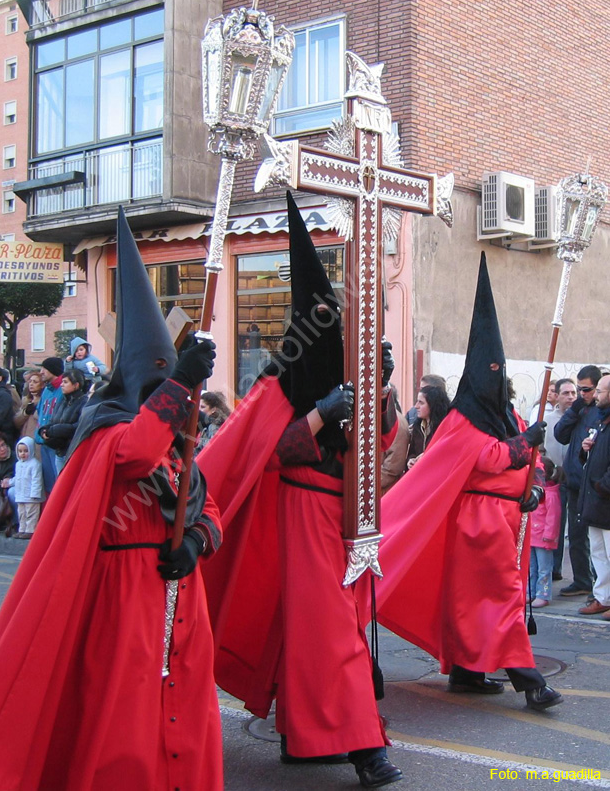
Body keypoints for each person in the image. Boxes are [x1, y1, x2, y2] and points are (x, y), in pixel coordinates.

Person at [0, 206, 224, 790]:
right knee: (127, 708)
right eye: (160, 377)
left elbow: (207, 504)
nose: (169, 388)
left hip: (178, 590)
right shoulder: (109, 427)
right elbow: (133, 455)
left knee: (183, 700)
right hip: (123, 592)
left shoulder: (179, 442)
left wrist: (196, 540)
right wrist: (181, 385)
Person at [199, 192, 402, 789]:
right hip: (300, 508)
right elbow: (264, 452)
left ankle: (301, 736)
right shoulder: (277, 380)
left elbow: (385, 441)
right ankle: (366, 749)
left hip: (348, 512)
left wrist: (380, 390)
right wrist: (319, 413)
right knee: (329, 627)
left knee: (313, 626)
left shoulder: (347, 369)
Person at [375, 252, 563, 712]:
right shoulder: (462, 417)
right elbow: (488, 457)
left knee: (474, 602)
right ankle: (528, 679)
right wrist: (524, 445)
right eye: (492, 373)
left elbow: (530, 461)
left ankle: (466, 671)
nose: (497, 382)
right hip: (477, 522)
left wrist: (534, 484)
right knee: (499, 597)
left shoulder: (504, 413)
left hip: (505, 519)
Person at [554, 365, 602, 597]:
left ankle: (600, 587)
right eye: (579, 389)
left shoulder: (601, 411)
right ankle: (583, 579)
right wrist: (574, 410)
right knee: (575, 535)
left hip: (592, 485)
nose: (582, 394)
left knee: (597, 541)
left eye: (587, 389)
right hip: (574, 482)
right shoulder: (580, 409)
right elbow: (560, 434)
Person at [576, 374, 610, 620]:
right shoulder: (601, 422)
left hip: (604, 499)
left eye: (600, 391)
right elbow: (592, 459)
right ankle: (603, 597)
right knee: (598, 553)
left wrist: (602, 487)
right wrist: (585, 449)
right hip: (595, 501)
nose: (596, 395)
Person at [544, 378, 576, 580]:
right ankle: (554, 569)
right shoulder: (548, 419)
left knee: (576, 529)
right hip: (554, 480)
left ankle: (582, 575)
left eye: (573, 393)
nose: (571, 397)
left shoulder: (582, 417)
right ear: (557, 395)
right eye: (566, 393)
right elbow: (541, 449)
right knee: (554, 525)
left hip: (575, 479)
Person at [38, 369, 87, 475]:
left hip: (72, 451)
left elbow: (79, 426)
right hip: (59, 450)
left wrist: (55, 430)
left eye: (65, 382)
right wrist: (44, 430)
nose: (61, 385)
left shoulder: (84, 402)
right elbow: (53, 420)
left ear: (76, 385)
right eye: (62, 382)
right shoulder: (63, 401)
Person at [529, 457, 563, 608]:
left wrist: (549, 536)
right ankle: (531, 592)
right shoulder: (535, 492)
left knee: (544, 568)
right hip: (532, 536)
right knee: (532, 567)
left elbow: (553, 517)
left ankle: (543, 593)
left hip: (543, 539)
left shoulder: (551, 495)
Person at [35, 357, 64, 494]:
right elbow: (40, 412)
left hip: (55, 442)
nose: (41, 372)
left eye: (44, 369)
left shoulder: (63, 389)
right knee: (49, 485)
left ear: (53, 370)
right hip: (43, 443)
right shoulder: (46, 390)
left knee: (59, 484)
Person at [405, 384, 450, 470]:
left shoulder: (445, 428)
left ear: (432, 405)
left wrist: (427, 457)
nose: (416, 406)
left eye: (421, 403)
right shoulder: (417, 427)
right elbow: (412, 452)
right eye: (417, 401)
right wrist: (410, 460)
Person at [8, 436, 44, 539]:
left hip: (31, 496)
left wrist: (35, 494)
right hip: (20, 495)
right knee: (21, 513)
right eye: (20, 451)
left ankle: (30, 530)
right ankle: (22, 529)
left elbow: (36, 480)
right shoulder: (18, 464)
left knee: (31, 513)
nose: (22, 454)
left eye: (25, 451)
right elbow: (17, 478)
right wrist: (10, 482)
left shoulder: (35, 464)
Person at [13, 369, 44, 447]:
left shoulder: (45, 400)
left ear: (42, 384)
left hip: (37, 441)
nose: (31, 384)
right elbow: (16, 422)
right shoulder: (26, 400)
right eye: (30, 381)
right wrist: (25, 413)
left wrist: (36, 409)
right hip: (25, 441)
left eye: (35, 382)